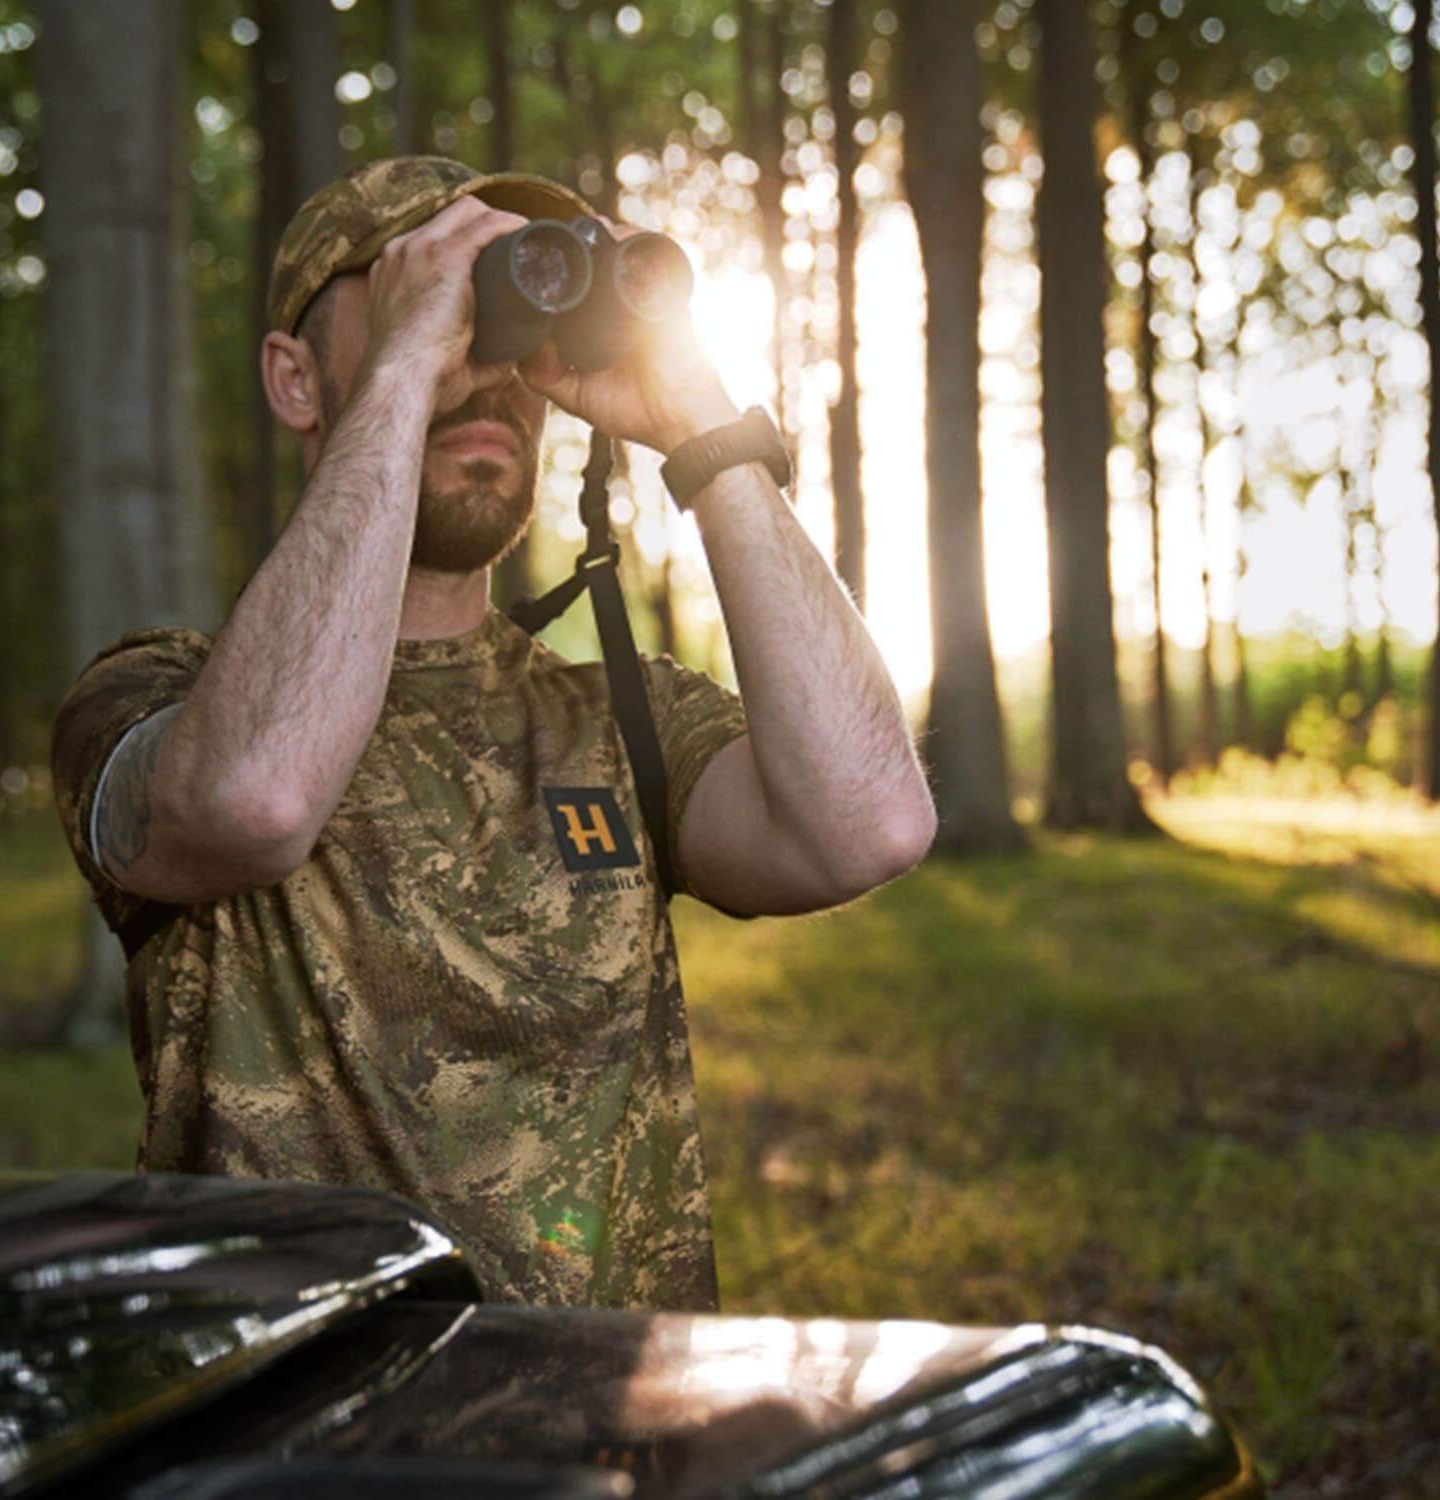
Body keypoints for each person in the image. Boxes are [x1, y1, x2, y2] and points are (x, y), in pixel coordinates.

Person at [51, 156, 935, 1309]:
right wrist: (411, 367)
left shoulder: (621, 716)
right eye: (439, 285)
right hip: (304, 1453)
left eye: (511, 300)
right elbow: (254, 800)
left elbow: (868, 825)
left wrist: (700, 422)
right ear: (295, 377)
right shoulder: (155, 700)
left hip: (612, 1456)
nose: (489, 364)